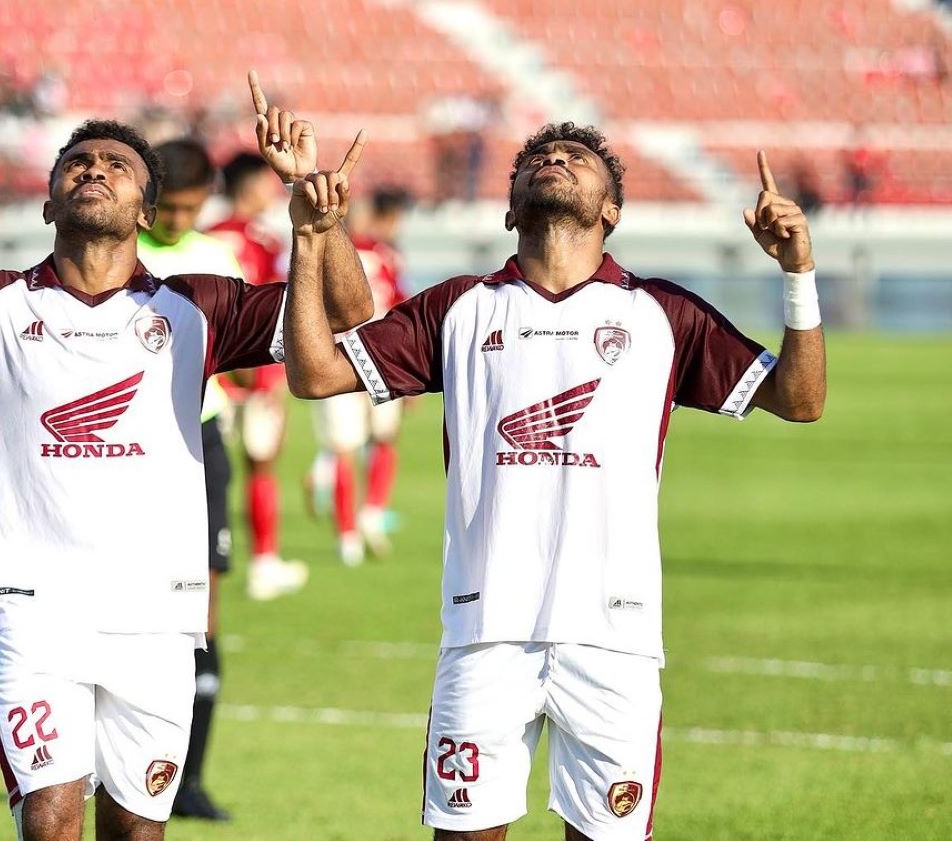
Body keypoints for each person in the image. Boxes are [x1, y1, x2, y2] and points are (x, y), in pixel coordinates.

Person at [0, 80, 372, 841]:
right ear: (47, 203)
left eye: (116, 163)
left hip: (157, 618)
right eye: (76, 162)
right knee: (50, 821)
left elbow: (347, 312)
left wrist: (312, 199)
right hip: (36, 611)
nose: (94, 168)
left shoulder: (196, 308)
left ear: (147, 211)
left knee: (136, 831)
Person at [282, 122, 825, 840]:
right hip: (485, 633)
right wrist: (313, 236)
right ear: (509, 209)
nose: (555, 159)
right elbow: (316, 372)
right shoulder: (460, 306)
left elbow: (801, 398)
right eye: (537, 157)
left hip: (615, 640)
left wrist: (798, 274)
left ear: (613, 212)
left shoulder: (663, 312)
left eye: (578, 157)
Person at [135, 137, 298, 822]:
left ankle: (189, 777)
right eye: (163, 208)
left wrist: (259, 386)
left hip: (199, 442)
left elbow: (240, 361)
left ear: (205, 201)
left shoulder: (216, 259)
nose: (173, 220)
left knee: (201, 616)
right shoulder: (118, 251)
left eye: (185, 207)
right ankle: (115, 771)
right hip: (125, 452)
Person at [206, 152, 300, 587]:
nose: (272, 191)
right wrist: (275, 375)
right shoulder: (264, 242)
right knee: (260, 465)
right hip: (252, 372)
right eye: (267, 183)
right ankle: (263, 562)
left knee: (206, 472)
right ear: (248, 186)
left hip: (206, 376)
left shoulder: (202, 237)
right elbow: (278, 309)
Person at [307, 187, 412, 562]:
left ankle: (350, 531)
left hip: (338, 360)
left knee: (345, 450)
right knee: (380, 439)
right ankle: (369, 513)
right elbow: (402, 308)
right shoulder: (384, 254)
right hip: (378, 358)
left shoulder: (319, 256)